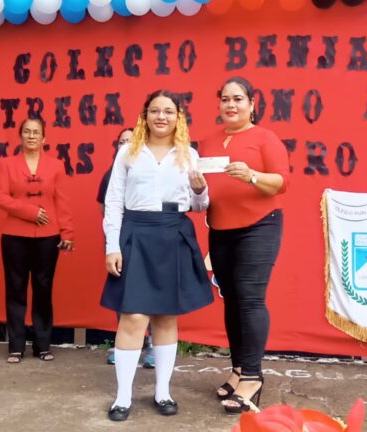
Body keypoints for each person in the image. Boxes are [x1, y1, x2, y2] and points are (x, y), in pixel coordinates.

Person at [102, 90, 212, 421]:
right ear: (144, 116)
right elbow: (113, 202)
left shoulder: (189, 155)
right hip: (136, 232)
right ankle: (122, 398)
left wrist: (199, 189)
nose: (161, 116)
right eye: (154, 111)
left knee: (166, 316)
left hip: (173, 233)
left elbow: (199, 206)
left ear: (178, 117)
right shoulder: (127, 153)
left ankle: (162, 392)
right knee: (132, 316)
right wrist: (112, 245)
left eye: (168, 111)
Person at [201, 77, 290, 413]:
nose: (230, 105)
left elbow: (282, 182)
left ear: (252, 104)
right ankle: (238, 369)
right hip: (220, 229)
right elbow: (201, 188)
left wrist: (252, 175)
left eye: (238, 99)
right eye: (224, 99)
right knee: (232, 299)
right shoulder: (208, 140)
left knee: (251, 299)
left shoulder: (265, 138)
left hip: (259, 228)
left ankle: (253, 376)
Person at [0, 118, 74, 363]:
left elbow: (63, 200)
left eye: (36, 132)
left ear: (44, 138)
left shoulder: (56, 165)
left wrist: (67, 232)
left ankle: (43, 345)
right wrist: (28, 211)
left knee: (43, 290)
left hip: (48, 237)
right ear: (20, 136)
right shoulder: (7, 163)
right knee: (15, 290)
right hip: (15, 235)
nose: (31, 136)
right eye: (26, 132)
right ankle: (15, 346)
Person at [97, 128, 155, 368]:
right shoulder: (110, 174)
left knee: (151, 294)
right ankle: (124, 343)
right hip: (120, 240)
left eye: (130, 141)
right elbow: (105, 207)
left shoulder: (150, 169)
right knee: (124, 294)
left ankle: (151, 343)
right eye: (121, 142)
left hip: (146, 238)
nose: (125, 145)